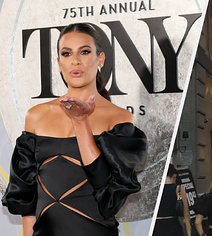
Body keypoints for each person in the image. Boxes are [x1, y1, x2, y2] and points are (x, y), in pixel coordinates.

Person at [1, 23, 147, 236]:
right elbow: (26, 194)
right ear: (59, 63)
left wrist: (81, 122)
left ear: (101, 59)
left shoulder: (119, 119)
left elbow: (109, 198)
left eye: (85, 52)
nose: (75, 61)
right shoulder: (36, 116)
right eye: (67, 54)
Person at [153, 164, 191, 236]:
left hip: (156, 227)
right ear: (174, 176)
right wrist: (188, 233)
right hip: (173, 227)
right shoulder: (179, 189)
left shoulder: (154, 190)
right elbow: (186, 213)